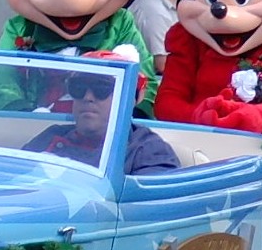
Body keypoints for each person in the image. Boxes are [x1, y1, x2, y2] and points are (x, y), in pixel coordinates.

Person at [23, 70, 178, 174]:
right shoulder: (51, 135)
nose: (87, 97)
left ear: (129, 99)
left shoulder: (147, 150)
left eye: (101, 89)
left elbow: (146, 212)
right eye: (79, 88)